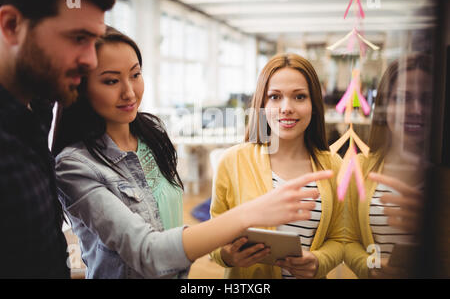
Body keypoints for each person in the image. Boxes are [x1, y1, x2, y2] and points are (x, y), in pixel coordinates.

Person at [52, 27, 333, 279]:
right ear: (81, 87)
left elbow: (170, 225)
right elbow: (148, 252)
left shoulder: (151, 135)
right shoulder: (75, 166)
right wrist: (250, 215)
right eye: (111, 81)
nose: (130, 92)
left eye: (135, 75)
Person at [0, 0, 115, 278]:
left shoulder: (35, 103)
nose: (91, 60)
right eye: (78, 38)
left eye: (94, 40)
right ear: (11, 25)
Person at [210, 53, 345, 279]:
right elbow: (214, 234)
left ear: (314, 105)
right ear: (262, 103)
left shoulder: (333, 165)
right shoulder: (232, 161)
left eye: (300, 97)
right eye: (275, 97)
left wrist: (320, 261)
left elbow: (342, 238)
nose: (286, 108)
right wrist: (227, 255)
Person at [344, 53, 432, 278]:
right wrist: (372, 266)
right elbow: (348, 241)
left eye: (427, 99)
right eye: (403, 99)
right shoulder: (361, 167)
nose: (417, 110)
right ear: (384, 105)